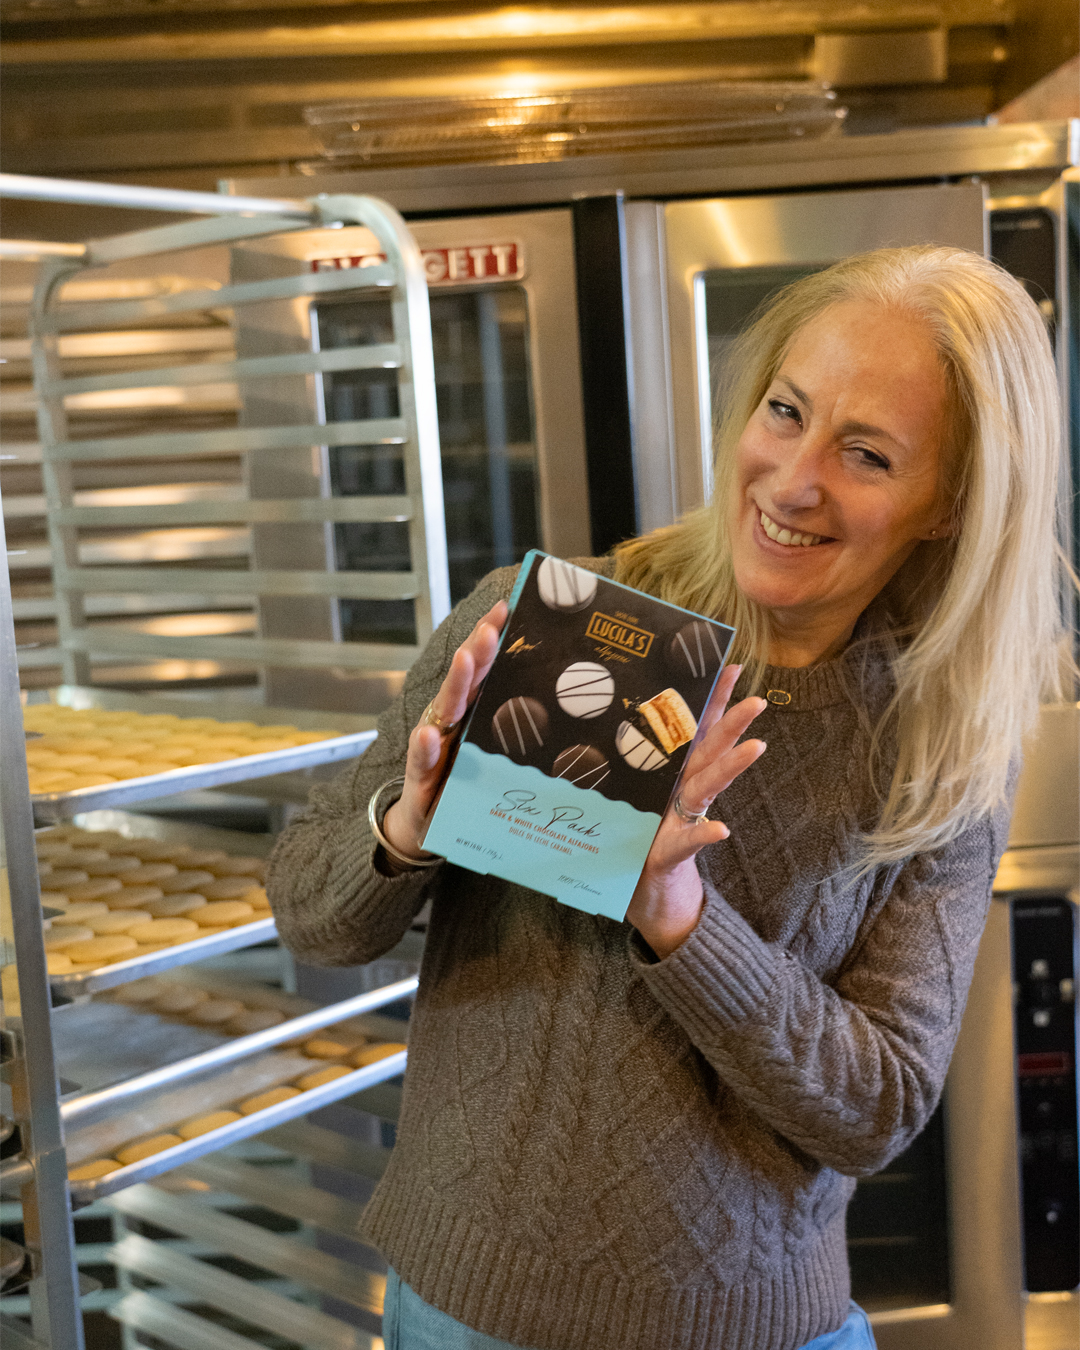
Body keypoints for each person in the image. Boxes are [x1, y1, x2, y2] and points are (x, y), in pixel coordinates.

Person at [268, 245, 1068, 1350]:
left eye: (868, 454)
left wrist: (678, 914)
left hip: (759, 1331)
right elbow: (310, 912)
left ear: (949, 503)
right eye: (785, 412)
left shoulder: (939, 750)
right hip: (471, 1317)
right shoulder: (546, 628)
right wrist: (408, 830)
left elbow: (879, 1104)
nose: (793, 480)